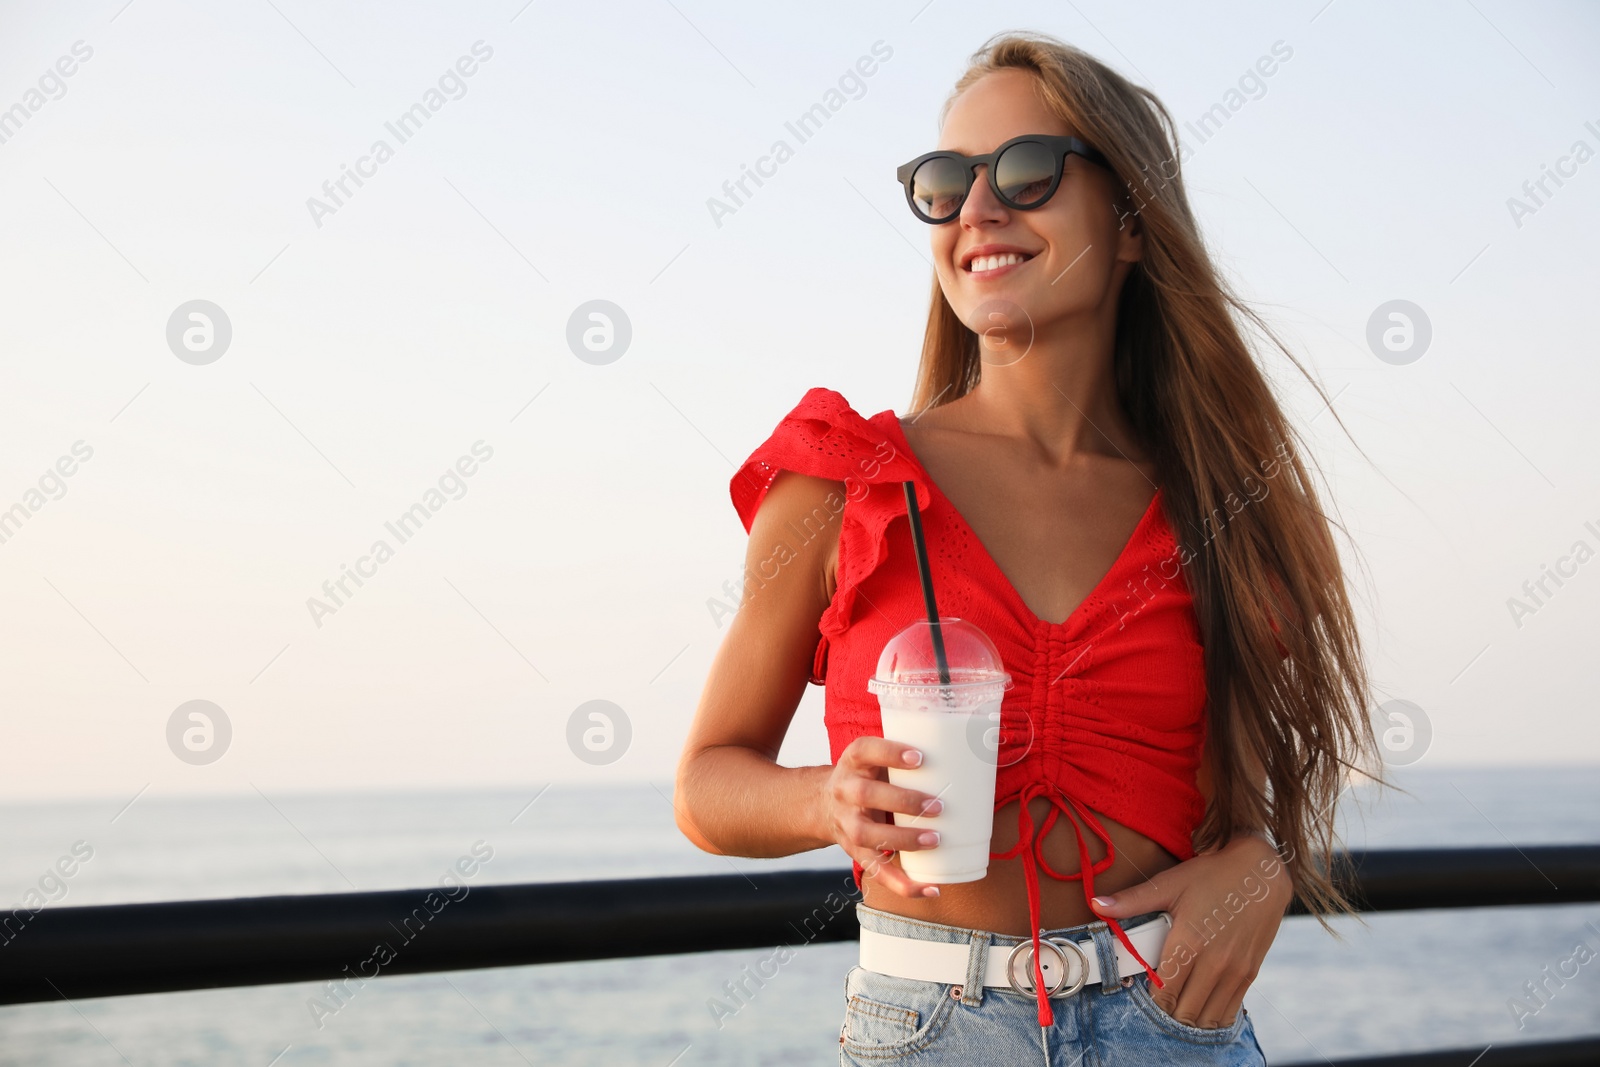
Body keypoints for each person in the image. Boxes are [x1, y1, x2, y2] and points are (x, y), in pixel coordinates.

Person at [674, 30, 1388, 1065]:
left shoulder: (1213, 508)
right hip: (930, 1028)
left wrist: (1262, 866)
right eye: (943, 183)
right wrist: (823, 799)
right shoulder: (847, 484)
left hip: (1170, 1027)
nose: (976, 209)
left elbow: (1238, 815)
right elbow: (705, 783)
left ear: (1133, 220)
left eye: (1025, 171)